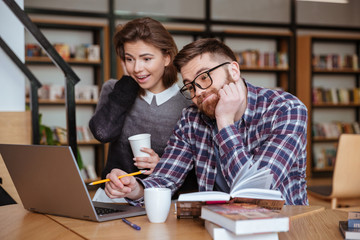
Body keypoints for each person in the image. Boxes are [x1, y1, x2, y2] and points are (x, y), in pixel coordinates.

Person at [104, 38, 309, 206]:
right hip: (215, 226)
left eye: (204, 78)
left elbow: (257, 193)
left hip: (282, 226)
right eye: (190, 87)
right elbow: (165, 179)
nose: (199, 92)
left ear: (234, 71)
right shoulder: (191, 119)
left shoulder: (286, 110)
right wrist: (134, 189)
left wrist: (225, 121)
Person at [89, 17, 197, 201]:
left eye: (146, 58)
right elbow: (102, 133)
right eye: (129, 59)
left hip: (163, 202)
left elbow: (200, 170)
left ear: (166, 57)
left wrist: (164, 166)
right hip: (114, 198)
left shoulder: (188, 103)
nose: (137, 68)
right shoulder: (115, 89)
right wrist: (127, 85)